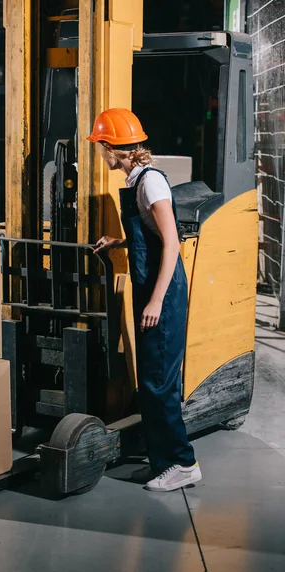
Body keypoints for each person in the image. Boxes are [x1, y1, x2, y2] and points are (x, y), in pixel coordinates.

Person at [87, 108, 202, 492]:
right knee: (151, 380)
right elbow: (151, 236)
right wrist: (119, 241)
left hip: (162, 294)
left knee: (158, 382)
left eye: (99, 146)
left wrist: (155, 302)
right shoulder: (137, 179)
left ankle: (183, 463)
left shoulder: (150, 183)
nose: (98, 154)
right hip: (153, 288)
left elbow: (171, 243)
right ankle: (162, 462)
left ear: (109, 147)